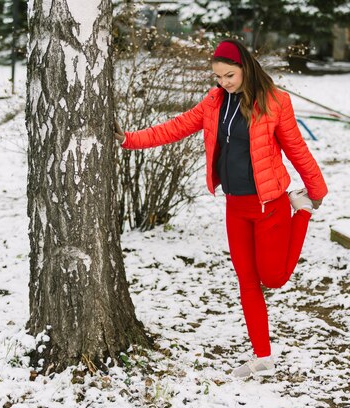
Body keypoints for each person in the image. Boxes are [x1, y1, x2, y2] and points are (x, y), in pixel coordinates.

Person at [114, 39, 328, 378]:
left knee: (273, 278)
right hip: (236, 206)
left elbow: (297, 148)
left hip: (270, 204)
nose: (223, 82)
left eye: (229, 75)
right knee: (246, 281)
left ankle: (300, 212)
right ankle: (262, 357)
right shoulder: (215, 102)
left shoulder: (275, 102)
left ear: (245, 67)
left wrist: (316, 191)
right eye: (218, 76)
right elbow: (178, 126)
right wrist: (129, 139)